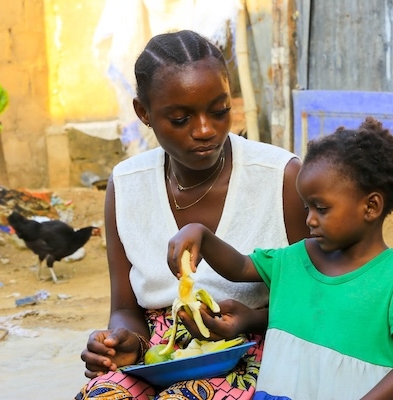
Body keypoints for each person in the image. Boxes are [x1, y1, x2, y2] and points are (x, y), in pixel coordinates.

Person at [76, 29, 309, 399]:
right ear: (144, 113)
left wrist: (250, 321)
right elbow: (124, 307)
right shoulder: (126, 184)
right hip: (158, 352)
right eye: (180, 119)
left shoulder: (281, 178)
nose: (205, 130)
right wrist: (122, 342)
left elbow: (318, 299)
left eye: (219, 112)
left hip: (255, 346)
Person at [167, 117, 393, 400]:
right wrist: (201, 234)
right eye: (307, 207)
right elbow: (240, 267)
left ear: (370, 206)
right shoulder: (295, 259)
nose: (309, 219)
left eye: (321, 208)